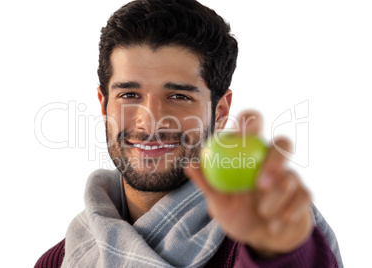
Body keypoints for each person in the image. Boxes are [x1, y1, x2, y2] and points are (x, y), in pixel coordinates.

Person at [35, 0, 343, 267]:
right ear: (104, 105)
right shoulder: (60, 261)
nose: (150, 121)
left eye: (179, 96)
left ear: (219, 112)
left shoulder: (261, 235)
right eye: (129, 95)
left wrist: (281, 252)